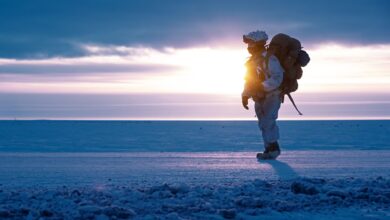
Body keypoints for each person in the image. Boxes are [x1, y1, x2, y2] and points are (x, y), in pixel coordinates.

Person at [241, 30, 284, 159]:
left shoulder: (270, 58)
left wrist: (262, 86)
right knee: (263, 122)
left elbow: (277, 77)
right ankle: (268, 149)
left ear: (258, 43)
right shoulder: (252, 61)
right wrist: (245, 95)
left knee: (268, 121)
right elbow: (249, 79)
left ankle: (273, 149)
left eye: (251, 44)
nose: (249, 47)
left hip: (272, 95)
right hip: (259, 96)